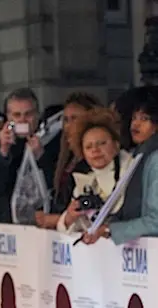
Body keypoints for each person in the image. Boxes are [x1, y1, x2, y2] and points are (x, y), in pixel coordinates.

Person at [84, 86, 158, 246]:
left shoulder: (154, 159)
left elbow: (156, 221)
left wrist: (110, 230)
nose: (135, 124)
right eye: (134, 117)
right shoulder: (140, 155)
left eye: (144, 118)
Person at [57, 109, 132, 234]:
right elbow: (65, 228)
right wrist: (69, 217)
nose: (95, 150)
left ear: (116, 145)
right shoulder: (84, 182)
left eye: (102, 143)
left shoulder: (132, 170)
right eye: (88, 147)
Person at [35, 92, 101, 230]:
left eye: (74, 118)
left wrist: (57, 219)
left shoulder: (97, 159)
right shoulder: (65, 157)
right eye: (66, 120)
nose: (69, 125)